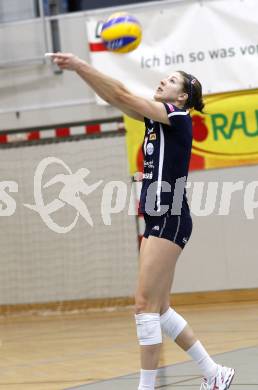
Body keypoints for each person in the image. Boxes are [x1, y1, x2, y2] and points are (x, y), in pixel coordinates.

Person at [51, 52, 235, 390]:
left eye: (172, 80)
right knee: (160, 310)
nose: (163, 81)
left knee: (143, 306)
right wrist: (81, 73)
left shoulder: (176, 115)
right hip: (159, 217)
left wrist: (79, 65)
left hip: (169, 216)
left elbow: (121, 94)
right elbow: (115, 94)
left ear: (182, 97)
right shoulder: (156, 120)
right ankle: (214, 372)